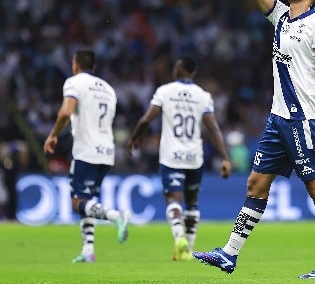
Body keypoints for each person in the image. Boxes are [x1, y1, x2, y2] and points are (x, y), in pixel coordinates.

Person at [192, 0, 315, 279]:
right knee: (256, 183)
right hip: (278, 119)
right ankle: (229, 254)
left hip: (304, 118)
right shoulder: (280, 17)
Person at [127, 56, 232, 261]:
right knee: (192, 203)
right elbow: (213, 128)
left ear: (181, 69)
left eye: (175, 66)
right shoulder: (203, 96)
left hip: (171, 156)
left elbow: (147, 118)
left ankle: (179, 238)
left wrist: (134, 138)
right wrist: (225, 158)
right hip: (194, 157)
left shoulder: (164, 92)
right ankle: (189, 249)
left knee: (173, 201)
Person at [43, 49, 130, 263]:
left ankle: (114, 216)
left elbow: (65, 112)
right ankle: (88, 250)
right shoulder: (109, 89)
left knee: (77, 202)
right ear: (94, 66)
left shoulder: (74, 82)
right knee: (88, 201)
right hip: (106, 151)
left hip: (86, 150)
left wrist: (53, 134)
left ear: (75, 65)